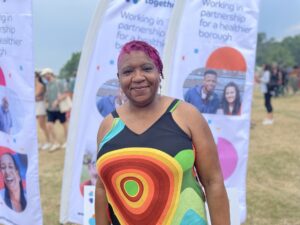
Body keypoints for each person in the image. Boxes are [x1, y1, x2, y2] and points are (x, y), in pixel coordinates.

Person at [95, 41, 229, 225]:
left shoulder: (186, 115)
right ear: (119, 78)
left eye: (146, 68)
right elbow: (102, 188)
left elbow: (213, 181)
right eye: (128, 72)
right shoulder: (108, 125)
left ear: (160, 72)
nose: (138, 77)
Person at [41, 68, 68, 151]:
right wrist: (46, 99)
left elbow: (66, 94)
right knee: (49, 125)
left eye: (46, 74)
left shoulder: (59, 82)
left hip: (60, 108)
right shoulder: (47, 85)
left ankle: (67, 141)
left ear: (50, 73)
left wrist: (57, 100)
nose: (45, 76)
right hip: (50, 109)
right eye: (44, 75)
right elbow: (47, 95)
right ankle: (56, 143)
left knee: (64, 125)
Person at [35, 71, 51, 150]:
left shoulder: (40, 85)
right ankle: (38, 143)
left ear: (37, 77)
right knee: (34, 126)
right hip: (35, 106)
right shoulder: (32, 86)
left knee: (42, 125)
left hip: (40, 106)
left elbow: (36, 95)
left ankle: (48, 141)